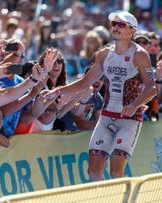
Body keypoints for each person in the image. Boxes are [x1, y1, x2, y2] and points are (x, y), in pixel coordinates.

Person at [52, 11, 156, 181]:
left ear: (132, 30)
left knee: (116, 172)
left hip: (129, 120)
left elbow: (152, 88)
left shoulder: (140, 55)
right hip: (106, 118)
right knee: (93, 171)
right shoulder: (104, 54)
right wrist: (58, 91)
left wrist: (134, 105)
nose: (115, 27)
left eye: (121, 24)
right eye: (114, 24)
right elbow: (85, 82)